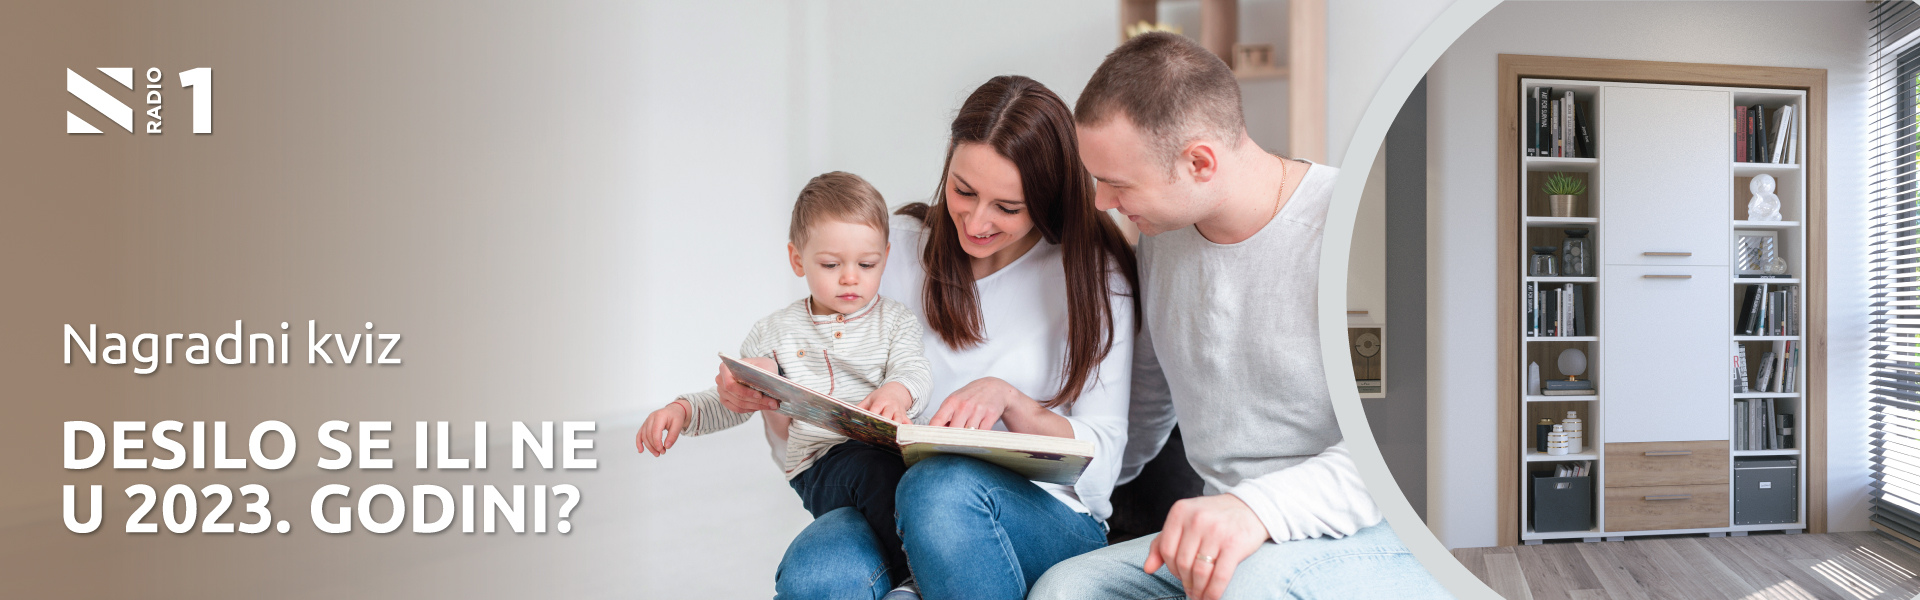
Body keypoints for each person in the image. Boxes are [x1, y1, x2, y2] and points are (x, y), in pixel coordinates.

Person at [1029, 33, 1450, 600]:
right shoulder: (1162, 236)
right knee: (1066, 589)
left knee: (1246, 590)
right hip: (1229, 531)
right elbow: (1147, 406)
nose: (1101, 202)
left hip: (1373, 529)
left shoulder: (1362, 230)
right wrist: (1058, 479)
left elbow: (1398, 452)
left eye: (1117, 183)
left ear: (1199, 162)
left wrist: (1253, 509)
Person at [768, 75, 1142, 600]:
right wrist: (773, 396)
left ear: (1046, 199)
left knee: (940, 491)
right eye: (963, 191)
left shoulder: (1092, 278)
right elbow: (815, 435)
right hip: (895, 497)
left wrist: (1011, 401)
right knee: (818, 573)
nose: (976, 220)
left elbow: (1102, 467)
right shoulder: (890, 252)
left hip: (1046, 516)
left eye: (1007, 207)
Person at [633, 171, 932, 597]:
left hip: (890, 450)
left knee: (923, 482)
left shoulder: (897, 321)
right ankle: (919, 581)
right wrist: (682, 410)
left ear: (885, 256)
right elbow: (734, 399)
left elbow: (914, 369)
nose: (850, 278)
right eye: (831, 265)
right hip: (821, 464)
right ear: (797, 259)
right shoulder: (774, 333)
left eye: (867, 265)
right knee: (875, 473)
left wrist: (896, 392)